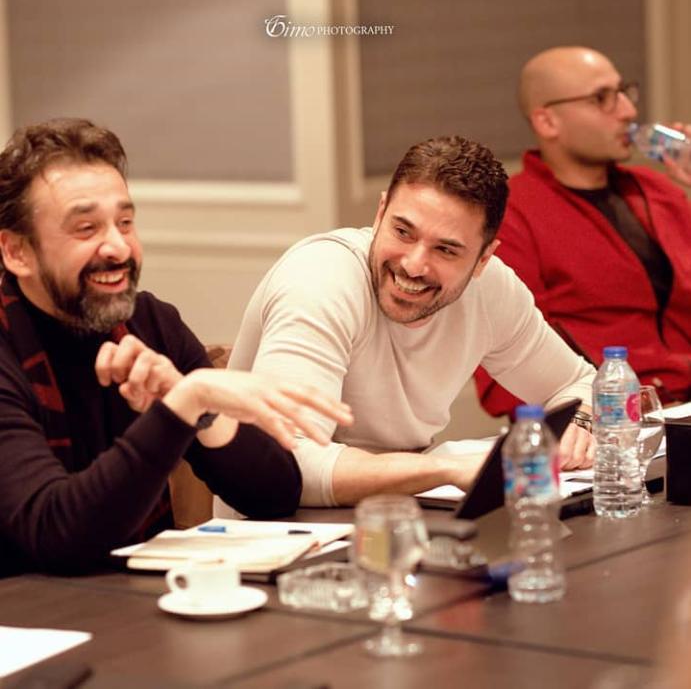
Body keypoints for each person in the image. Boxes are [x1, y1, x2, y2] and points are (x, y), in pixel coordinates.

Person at [0, 118, 353, 577]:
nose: (118, 247)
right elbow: (55, 533)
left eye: (125, 223)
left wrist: (198, 411)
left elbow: (275, 493)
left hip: (139, 602)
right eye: (86, 228)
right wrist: (182, 406)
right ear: (17, 252)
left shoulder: (150, 323)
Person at [223, 135, 596, 509]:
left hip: (400, 514)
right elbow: (287, 465)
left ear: (483, 260)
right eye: (403, 232)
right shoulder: (320, 279)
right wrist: (445, 469)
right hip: (282, 530)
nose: (414, 265)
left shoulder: (491, 289)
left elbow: (579, 382)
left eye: (445, 249)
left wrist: (578, 424)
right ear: (380, 213)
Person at [475, 46, 691, 417]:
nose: (628, 111)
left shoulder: (660, 192)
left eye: (623, 92)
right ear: (547, 122)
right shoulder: (510, 212)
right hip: (608, 418)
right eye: (602, 98)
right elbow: (502, 368)